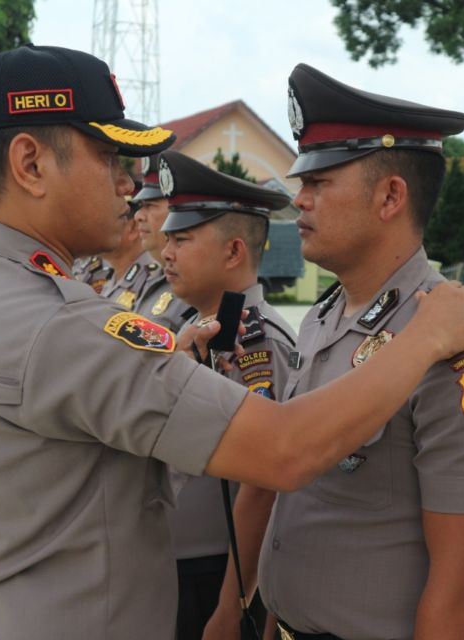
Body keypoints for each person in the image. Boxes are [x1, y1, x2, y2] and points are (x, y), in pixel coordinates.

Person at [0, 44, 464, 640]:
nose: (130, 184)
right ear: (30, 165)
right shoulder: (64, 325)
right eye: (111, 157)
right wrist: (423, 339)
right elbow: (283, 451)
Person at [248, 64, 464, 640]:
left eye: (319, 183)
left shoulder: (456, 348)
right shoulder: (323, 319)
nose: (299, 200)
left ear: (390, 196)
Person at [157, 150, 296, 640]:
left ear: (234, 252)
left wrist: (232, 606)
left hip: (217, 575)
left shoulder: (258, 343)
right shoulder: (197, 329)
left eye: (183, 239)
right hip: (176, 566)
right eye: (167, 239)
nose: (165, 253)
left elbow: (261, 487)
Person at [129, 157, 191, 330]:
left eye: (149, 205)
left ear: (175, 211)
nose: (138, 216)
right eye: (140, 206)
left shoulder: (195, 286)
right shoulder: (153, 277)